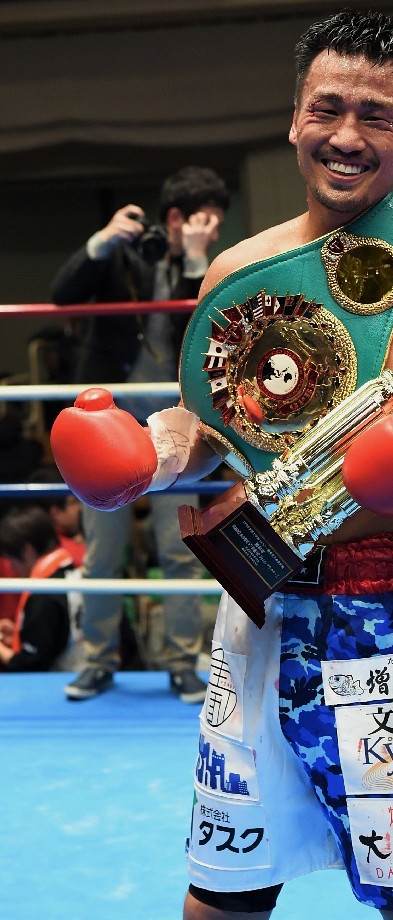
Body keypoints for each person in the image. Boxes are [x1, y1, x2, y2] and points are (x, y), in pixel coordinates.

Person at [51, 11, 393, 919]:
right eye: (327, 109)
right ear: (295, 118)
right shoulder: (238, 271)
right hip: (259, 606)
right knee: (223, 896)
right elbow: (210, 425)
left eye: (377, 116)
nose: (346, 136)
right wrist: (149, 456)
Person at [51, 166, 231, 703]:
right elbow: (62, 295)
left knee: (178, 551)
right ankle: (96, 661)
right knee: (103, 553)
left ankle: (181, 662)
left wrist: (196, 263)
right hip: (108, 432)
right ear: (175, 217)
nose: (213, 232)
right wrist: (101, 241)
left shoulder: (211, 269)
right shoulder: (123, 256)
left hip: (177, 433)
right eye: (205, 221)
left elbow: (203, 334)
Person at [0, 505, 80, 671]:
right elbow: (54, 635)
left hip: (62, 679)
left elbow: (31, 664)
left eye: (11, 559)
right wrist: (19, 632)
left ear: (27, 551)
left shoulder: (43, 593)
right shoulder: (73, 572)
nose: (12, 567)